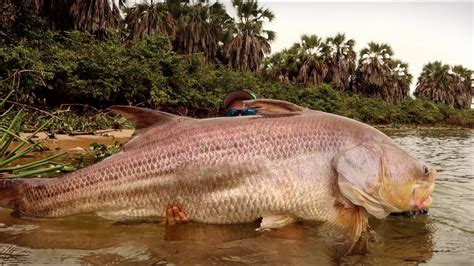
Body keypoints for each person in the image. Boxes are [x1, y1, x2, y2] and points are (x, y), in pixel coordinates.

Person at [164, 89, 258, 225]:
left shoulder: (273, 150)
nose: (239, 118)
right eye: (233, 113)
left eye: (248, 112)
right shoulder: (203, 150)